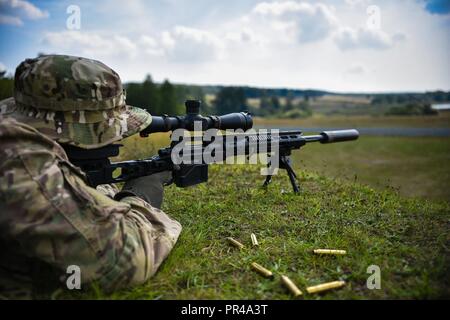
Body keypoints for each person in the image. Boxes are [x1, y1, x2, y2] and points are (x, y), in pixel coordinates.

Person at [0, 55, 182, 299]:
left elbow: (68, 194)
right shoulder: (16, 159)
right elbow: (122, 260)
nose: (117, 138)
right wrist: (142, 193)